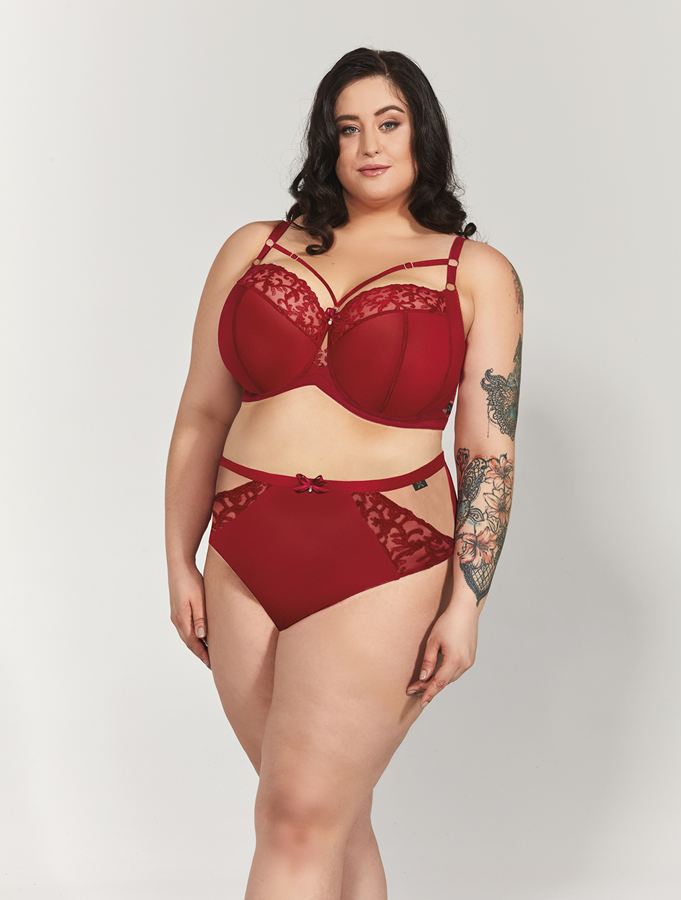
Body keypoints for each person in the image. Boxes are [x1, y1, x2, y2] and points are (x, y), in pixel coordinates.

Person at [165, 47, 523, 899]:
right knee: (330, 818)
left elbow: (488, 454)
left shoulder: (475, 272)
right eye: (347, 127)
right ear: (325, 142)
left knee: (296, 818)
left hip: (384, 558)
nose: (368, 145)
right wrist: (178, 558)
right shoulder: (252, 249)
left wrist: (466, 604)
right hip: (243, 549)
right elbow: (202, 416)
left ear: (421, 134)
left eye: (388, 123)